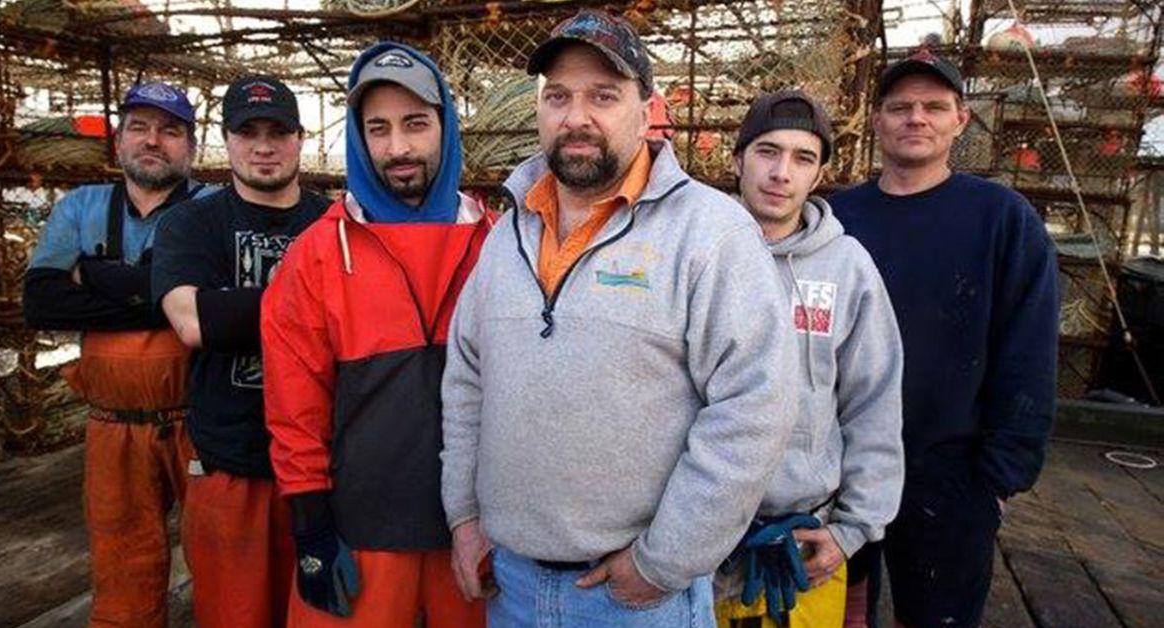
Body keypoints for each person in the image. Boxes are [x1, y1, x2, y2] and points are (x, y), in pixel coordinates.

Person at [440, 10, 800, 627]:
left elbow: (754, 405)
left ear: (645, 109)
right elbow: (468, 380)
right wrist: (465, 516)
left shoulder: (710, 234)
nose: (576, 116)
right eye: (558, 97)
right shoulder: (509, 235)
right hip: (514, 587)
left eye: (603, 96)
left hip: (637, 597)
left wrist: (665, 560)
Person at [260, 43, 490, 627]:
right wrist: (311, 528)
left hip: (477, 530)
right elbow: (294, 405)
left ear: (446, 125)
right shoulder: (317, 254)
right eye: (377, 129)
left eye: (416, 124)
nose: (398, 149)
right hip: (362, 529)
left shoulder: (499, 242)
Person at [830, 50, 1059, 628]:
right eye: (900, 106)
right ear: (877, 119)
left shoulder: (1002, 218)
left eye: (934, 106)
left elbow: (1028, 350)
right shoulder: (833, 219)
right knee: (842, 616)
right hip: (838, 466)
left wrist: (1000, 477)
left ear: (960, 120)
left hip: (950, 471)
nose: (916, 118)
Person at [23, 82, 214, 628]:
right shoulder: (80, 206)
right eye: (139, 127)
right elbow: (41, 301)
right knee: (121, 564)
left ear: (191, 146)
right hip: (111, 426)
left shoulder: (211, 210)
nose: (153, 140)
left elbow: (214, 303)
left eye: (170, 130)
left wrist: (95, 275)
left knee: (222, 556)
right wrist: (156, 294)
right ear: (118, 139)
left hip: (200, 420)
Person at [712, 90, 904, 628]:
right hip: (695, 538)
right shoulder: (698, 251)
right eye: (767, 152)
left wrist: (851, 530)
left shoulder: (847, 267)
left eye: (803, 158)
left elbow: (874, 403)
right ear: (737, 160)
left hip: (801, 538)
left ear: (818, 175)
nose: (781, 173)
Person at [151, 74, 329, 628]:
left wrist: (232, 306)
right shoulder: (192, 222)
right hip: (230, 470)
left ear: (301, 137)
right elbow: (191, 320)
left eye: (278, 130)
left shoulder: (333, 222)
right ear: (225, 140)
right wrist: (316, 306)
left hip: (324, 471)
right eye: (247, 131)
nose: (263, 145)